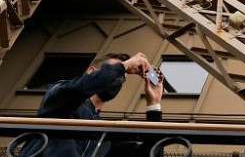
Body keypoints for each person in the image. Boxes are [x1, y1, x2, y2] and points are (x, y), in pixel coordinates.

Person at [32, 52, 164, 157]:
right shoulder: (60, 93)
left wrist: (154, 105)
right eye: (115, 70)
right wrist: (125, 66)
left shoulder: (104, 138)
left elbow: (149, 153)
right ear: (91, 71)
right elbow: (78, 89)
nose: (118, 79)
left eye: (123, 77)